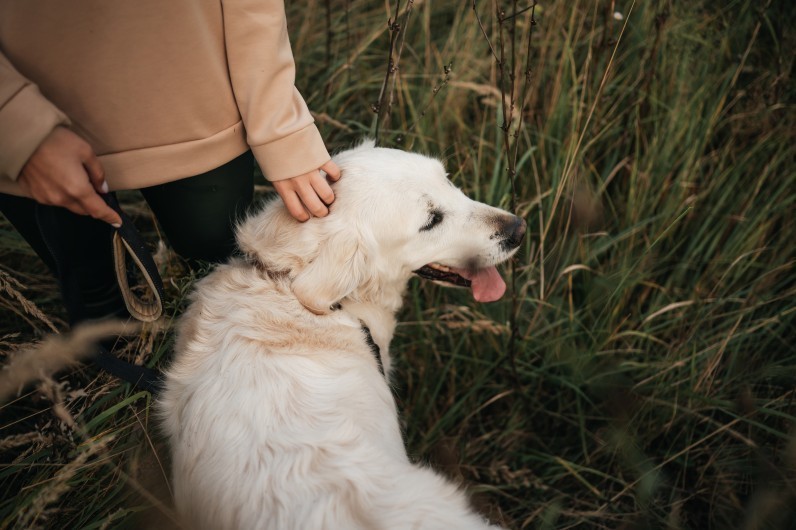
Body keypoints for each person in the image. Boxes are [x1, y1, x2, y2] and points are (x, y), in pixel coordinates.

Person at [0, 0, 340, 328]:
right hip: (29, 114)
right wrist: (17, 124)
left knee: (222, 263)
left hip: (199, 103)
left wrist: (280, 128)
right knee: (100, 308)